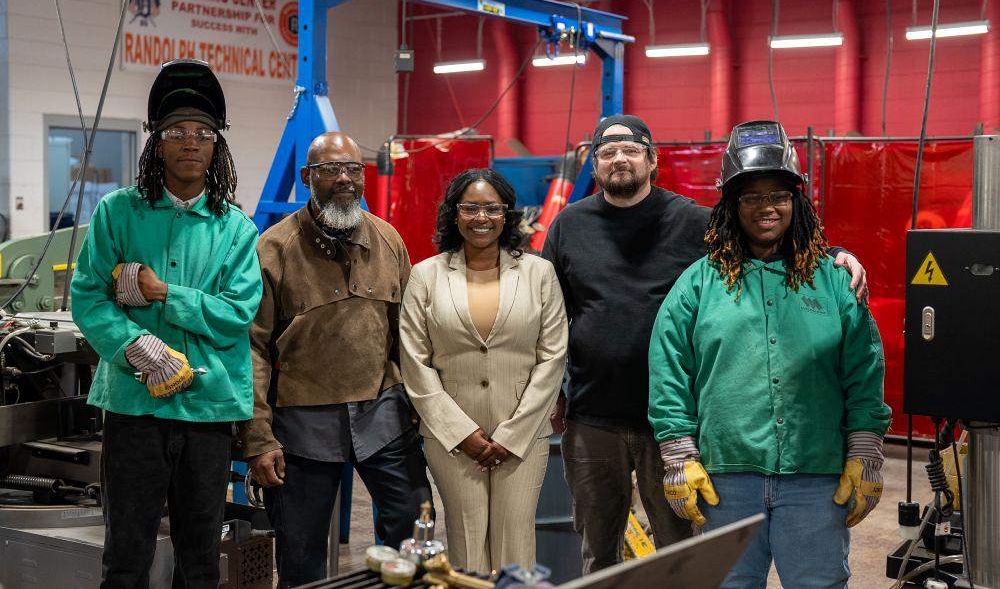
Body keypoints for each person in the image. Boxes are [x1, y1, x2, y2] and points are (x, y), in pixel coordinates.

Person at [541, 114, 870, 573]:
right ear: (593, 165)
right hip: (593, 416)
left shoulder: (693, 222)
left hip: (678, 425)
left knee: (683, 553)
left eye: (631, 149)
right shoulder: (567, 226)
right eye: (607, 152)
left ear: (652, 160)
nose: (619, 159)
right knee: (598, 549)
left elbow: (771, 236)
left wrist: (835, 256)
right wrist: (554, 390)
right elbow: (550, 315)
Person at [648, 120, 892, 588]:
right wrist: (678, 455)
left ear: (796, 202)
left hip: (817, 478)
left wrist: (865, 451)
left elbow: (864, 371)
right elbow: (669, 371)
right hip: (725, 480)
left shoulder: (836, 280)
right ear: (732, 206)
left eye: (778, 195)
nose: (767, 207)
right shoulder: (699, 283)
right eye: (752, 197)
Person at [71, 59, 263, 588]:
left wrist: (161, 293)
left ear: (216, 146)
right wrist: (137, 347)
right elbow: (88, 296)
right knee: (126, 553)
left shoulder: (236, 230)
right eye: (175, 131)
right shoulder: (118, 213)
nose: (189, 142)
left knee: (200, 556)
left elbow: (236, 313)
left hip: (207, 410)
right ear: (156, 142)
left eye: (202, 133)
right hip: (136, 407)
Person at [241, 131, 432, 587]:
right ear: (307, 177)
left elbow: (409, 334)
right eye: (331, 170)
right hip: (303, 420)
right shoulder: (274, 248)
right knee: (301, 550)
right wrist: (258, 437)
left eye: (353, 169)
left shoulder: (388, 240)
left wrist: (420, 409)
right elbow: (252, 347)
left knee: (411, 525)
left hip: (382, 412)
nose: (344, 179)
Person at [400, 168, 567, 574]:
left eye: (492, 208)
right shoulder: (426, 275)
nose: (481, 218)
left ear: (507, 214)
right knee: (466, 541)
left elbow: (552, 357)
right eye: (470, 208)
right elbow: (414, 361)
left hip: (523, 437)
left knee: (516, 543)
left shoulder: (538, 273)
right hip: (452, 439)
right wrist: (461, 433)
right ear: (454, 214)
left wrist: (512, 435)